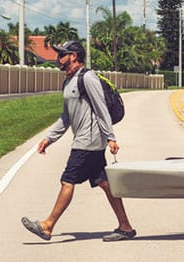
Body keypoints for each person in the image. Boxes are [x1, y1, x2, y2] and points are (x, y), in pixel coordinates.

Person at [21, 40, 137, 243]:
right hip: (87, 141)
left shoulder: (88, 78)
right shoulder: (68, 81)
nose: (58, 59)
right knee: (105, 183)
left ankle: (47, 226)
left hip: (88, 142)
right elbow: (66, 116)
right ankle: (125, 227)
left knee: (68, 180)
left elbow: (101, 108)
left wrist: (110, 137)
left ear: (73, 56)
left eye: (61, 55)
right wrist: (50, 138)